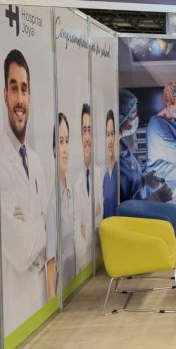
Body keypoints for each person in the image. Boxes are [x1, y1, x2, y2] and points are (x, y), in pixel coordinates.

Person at [0, 49, 49, 333]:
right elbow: (19, 251)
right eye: (13, 88)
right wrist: (41, 224)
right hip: (14, 309)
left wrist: (32, 224)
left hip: (40, 303)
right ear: (4, 95)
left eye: (24, 89)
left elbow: (47, 224)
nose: (20, 99)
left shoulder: (36, 161)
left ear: (30, 97)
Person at [118, 89, 171, 203]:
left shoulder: (122, 144)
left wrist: (144, 181)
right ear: (122, 117)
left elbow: (131, 187)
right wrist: (155, 199)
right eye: (133, 114)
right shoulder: (114, 157)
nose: (136, 118)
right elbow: (126, 207)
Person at [46, 113, 75, 293]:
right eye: (60, 142)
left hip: (75, 288)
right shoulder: (53, 204)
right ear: (54, 149)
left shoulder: (71, 191)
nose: (64, 149)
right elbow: (51, 264)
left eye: (66, 141)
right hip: (63, 293)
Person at [72, 103, 102, 273]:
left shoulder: (99, 174)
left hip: (97, 257)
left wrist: (85, 227)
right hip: (82, 264)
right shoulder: (76, 181)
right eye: (84, 130)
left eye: (90, 130)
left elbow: (100, 217)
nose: (87, 137)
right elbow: (77, 229)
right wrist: (84, 227)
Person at [102, 110, 118, 218]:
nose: (110, 140)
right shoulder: (105, 176)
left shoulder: (119, 171)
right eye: (108, 135)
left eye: (112, 134)